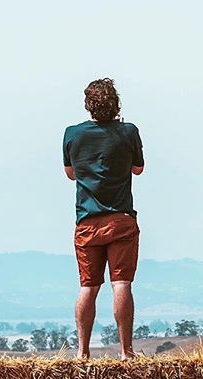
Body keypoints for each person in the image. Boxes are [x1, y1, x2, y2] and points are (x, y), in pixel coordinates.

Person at [63, 78, 144, 359]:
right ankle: (126, 352)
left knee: (88, 286)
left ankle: (82, 353)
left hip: (87, 222)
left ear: (89, 105)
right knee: (121, 283)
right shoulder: (128, 131)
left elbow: (70, 173)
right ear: (116, 103)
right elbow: (138, 169)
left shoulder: (72, 134)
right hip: (120, 219)